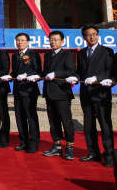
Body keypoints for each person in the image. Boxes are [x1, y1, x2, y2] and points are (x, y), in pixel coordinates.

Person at [75, 25, 115, 167]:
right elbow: (80, 72)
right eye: (88, 34)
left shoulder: (107, 51)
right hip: (86, 94)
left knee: (105, 125)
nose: (92, 37)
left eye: (94, 34)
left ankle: (109, 154)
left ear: (98, 35)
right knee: (88, 125)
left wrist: (97, 77)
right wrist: (74, 77)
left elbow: (110, 71)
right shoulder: (81, 53)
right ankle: (93, 152)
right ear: (83, 37)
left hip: (101, 93)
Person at [1, 33, 42, 153]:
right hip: (18, 90)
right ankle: (23, 142)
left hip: (29, 90)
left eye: (22, 40)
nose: (20, 42)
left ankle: (34, 143)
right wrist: (9, 76)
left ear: (28, 42)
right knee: (20, 118)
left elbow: (37, 70)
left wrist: (27, 75)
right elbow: (15, 71)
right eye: (18, 40)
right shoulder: (14, 56)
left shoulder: (34, 54)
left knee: (31, 117)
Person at [41, 31, 77, 160]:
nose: (53, 42)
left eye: (56, 40)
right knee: (53, 122)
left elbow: (71, 71)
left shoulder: (67, 55)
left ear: (62, 41)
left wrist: (56, 74)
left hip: (62, 93)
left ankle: (69, 147)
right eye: (51, 39)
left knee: (66, 122)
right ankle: (56, 145)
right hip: (49, 93)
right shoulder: (47, 55)